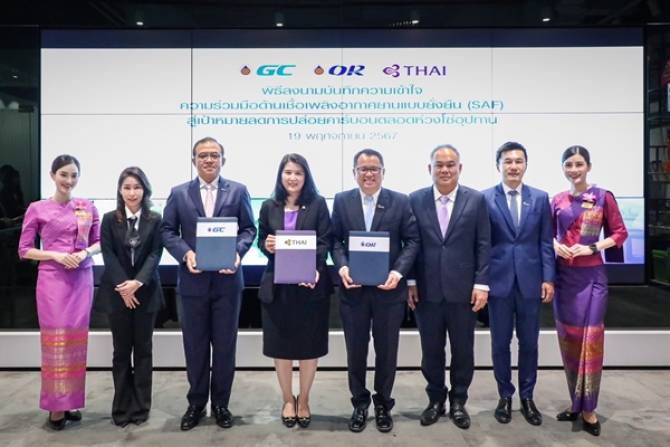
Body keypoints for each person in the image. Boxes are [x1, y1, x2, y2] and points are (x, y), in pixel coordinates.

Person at [161, 137, 256, 431]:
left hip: (228, 283)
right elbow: (167, 231)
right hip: (192, 283)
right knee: (195, 346)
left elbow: (249, 229)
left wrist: (238, 253)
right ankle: (196, 403)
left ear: (223, 160)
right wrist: (185, 253)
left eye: (214, 155)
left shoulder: (238, 190)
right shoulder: (179, 193)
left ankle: (221, 404)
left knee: (225, 346)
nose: (209, 160)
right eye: (203, 155)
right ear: (194, 160)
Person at [331, 148, 420, 433]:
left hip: (388, 291)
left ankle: (383, 404)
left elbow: (412, 241)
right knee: (355, 351)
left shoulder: (400, 201)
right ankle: (359, 403)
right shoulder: (342, 201)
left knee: (387, 351)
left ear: (383, 172)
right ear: (354, 172)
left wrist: (398, 273)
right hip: (353, 291)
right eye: (363, 169)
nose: (368, 174)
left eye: (374, 169)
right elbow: (334, 241)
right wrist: (343, 267)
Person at [408, 144, 490, 430]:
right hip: (426, 291)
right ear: (429, 168)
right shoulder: (415, 199)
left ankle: (458, 401)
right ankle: (435, 400)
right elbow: (411, 244)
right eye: (439, 165)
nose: (445, 169)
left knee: (463, 351)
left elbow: (483, 244)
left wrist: (482, 284)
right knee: (431, 350)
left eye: (450, 164)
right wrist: (410, 281)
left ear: (460, 168)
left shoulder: (476, 200)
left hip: (464, 292)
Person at [18, 154, 100, 430]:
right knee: (56, 342)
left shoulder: (87, 206)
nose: (69, 180)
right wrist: (55, 254)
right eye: (64, 174)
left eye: (74, 175)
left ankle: (71, 401)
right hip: (52, 280)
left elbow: (100, 241)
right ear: (53, 175)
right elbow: (24, 250)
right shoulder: (37, 208)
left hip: (81, 278)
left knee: (76, 341)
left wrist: (85, 253)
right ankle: (56, 406)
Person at [552, 145, 628, 437]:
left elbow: (620, 233)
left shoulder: (602, 196)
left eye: (579, 164)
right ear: (563, 168)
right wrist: (555, 245)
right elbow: (546, 234)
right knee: (569, 341)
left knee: (591, 341)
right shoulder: (557, 200)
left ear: (588, 166)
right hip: (564, 278)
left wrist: (592, 247)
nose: (574, 170)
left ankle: (589, 408)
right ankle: (575, 403)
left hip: (592, 278)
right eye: (569, 165)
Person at [482, 142, 555, 426]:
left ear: (525, 164)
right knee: (500, 343)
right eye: (508, 161)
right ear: (498, 165)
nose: (513, 166)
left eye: (518, 161)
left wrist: (548, 278)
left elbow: (545, 242)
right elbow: (482, 245)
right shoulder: (485, 198)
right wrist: (481, 282)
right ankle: (505, 396)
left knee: (529, 343)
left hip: (530, 282)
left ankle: (527, 396)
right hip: (498, 283)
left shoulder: (540, 198)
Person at [257, 153, 332, 428]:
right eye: (288, 172)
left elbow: (324, 241)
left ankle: (305, 399)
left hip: (309, 287)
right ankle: (288, 399)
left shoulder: (317, 204)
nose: (292, 177)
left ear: (306, 176)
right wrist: (267, 245)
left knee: (309, 347)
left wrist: (315, 269)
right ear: (281, 175)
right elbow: (261, 240)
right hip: (278, 288)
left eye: (298, 173)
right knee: (282, 346)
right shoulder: (269, 206)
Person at [95, 167, 164, 427]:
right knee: (121, 352)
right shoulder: (109, 219)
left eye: (137, 187)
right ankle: (121, 406)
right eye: (127, 187)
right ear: (120, 190)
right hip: (117, 294)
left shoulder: (155, 219)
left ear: (144, 190)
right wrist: (124, 287)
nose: (132, 192)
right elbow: (108, 254)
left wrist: (137, 283)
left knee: (144, 351)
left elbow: (156, 253)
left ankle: (141, 407)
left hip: (145, 292)